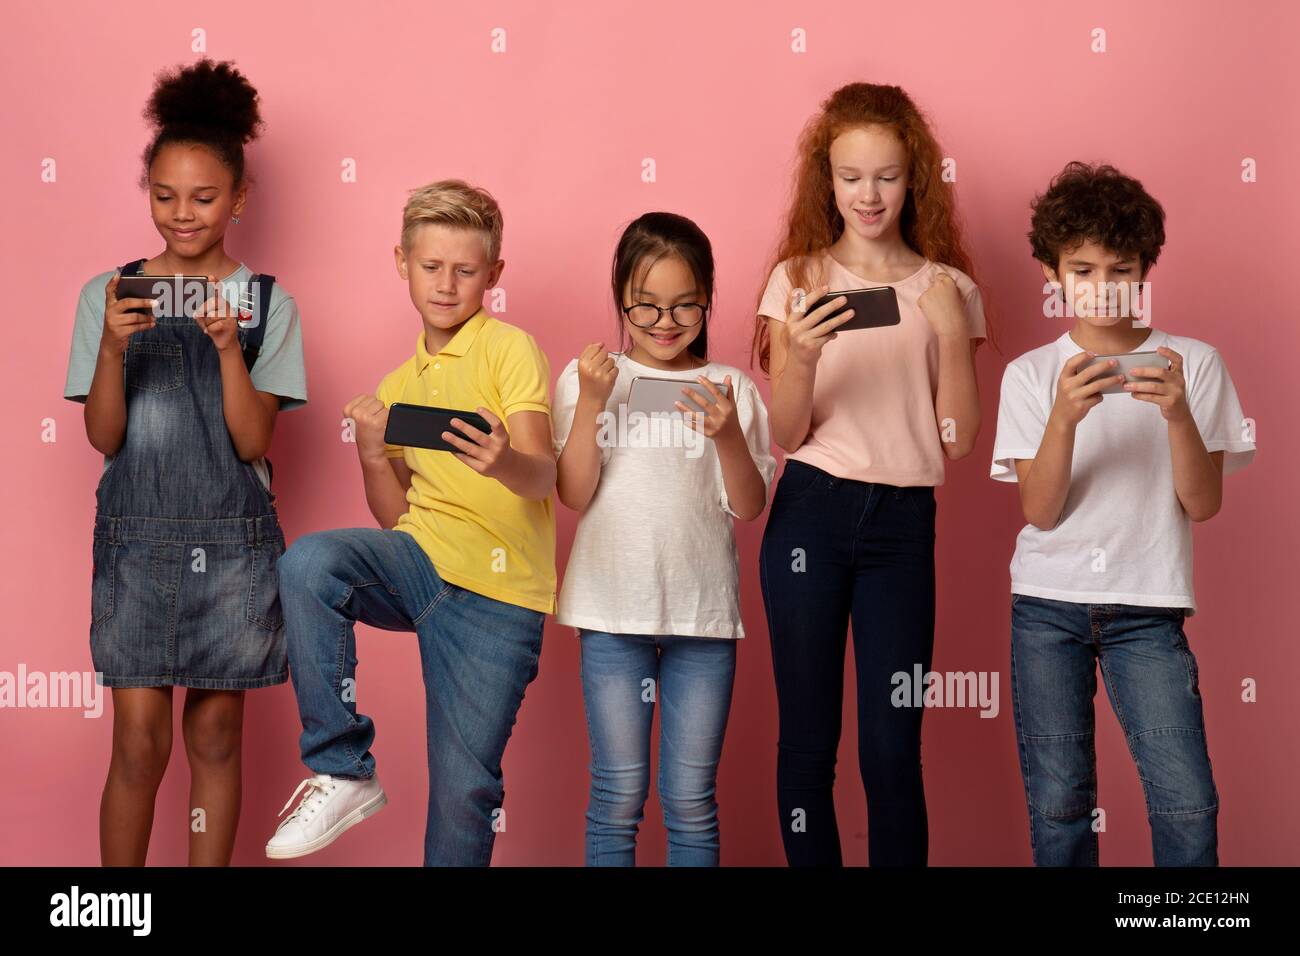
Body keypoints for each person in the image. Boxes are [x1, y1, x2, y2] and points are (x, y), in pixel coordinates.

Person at [265, 179, 556, 867]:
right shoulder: (398, 387)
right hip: (421, 565)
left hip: (498, 598)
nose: (447, 285)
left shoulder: (509, 349)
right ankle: (343, 771)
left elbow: (545, 476)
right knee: (309, 563)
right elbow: (395, 515)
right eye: (431, 267)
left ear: (494, 274)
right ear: (402, 263)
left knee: (464, 793)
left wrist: (503, 461)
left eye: (465, 270)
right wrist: (373, 453)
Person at [64, 58, 308, 866]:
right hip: (136, 545)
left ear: (238, 198)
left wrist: (226, 352)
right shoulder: (109, 292)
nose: (183, 214)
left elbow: (253, 443)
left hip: (232, 549)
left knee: (216, 739)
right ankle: (118, 908)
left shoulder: (267, 302)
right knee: (137, 746)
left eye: (204, 198)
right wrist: (109, 347)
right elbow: (105, 438)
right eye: (165, 196)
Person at [991, 161, 1255, 866]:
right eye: (1082, 270)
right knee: (1060, 805)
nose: (1103, 288)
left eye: (1122, 269)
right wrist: (1063, 420)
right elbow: (1040, 511)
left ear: (1146, 270)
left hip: (1149, 605)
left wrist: (1177, 417)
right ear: (1052, 274)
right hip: (1048, 606)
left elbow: (1203, 504)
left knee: (1187, 802)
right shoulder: (1030, 376)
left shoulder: (1192, 364)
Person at [754, 82, 988, 866]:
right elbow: (787, 433)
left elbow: (958, 442)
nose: (868, 194)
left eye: (886, 175)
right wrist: (805, 356)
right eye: (851, 176)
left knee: (893, 747)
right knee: (808, 743)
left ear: (913, 176)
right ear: (828, 178)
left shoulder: (949, 288)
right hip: (810, 513)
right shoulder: (797, 279)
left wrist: (953, 337)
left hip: (903, 522)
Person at [553, 212, 776, 865]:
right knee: (616, 799)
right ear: (620, 296)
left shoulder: (731, 389)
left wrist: (727, 433)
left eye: (685, 306)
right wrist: (594, 402)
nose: (665, 323)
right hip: (610, 612)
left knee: (690, 803)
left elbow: (750, 506)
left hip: (701, 618)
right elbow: (572, 493)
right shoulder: (587, 378)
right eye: (645, 307)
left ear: (708, 298)